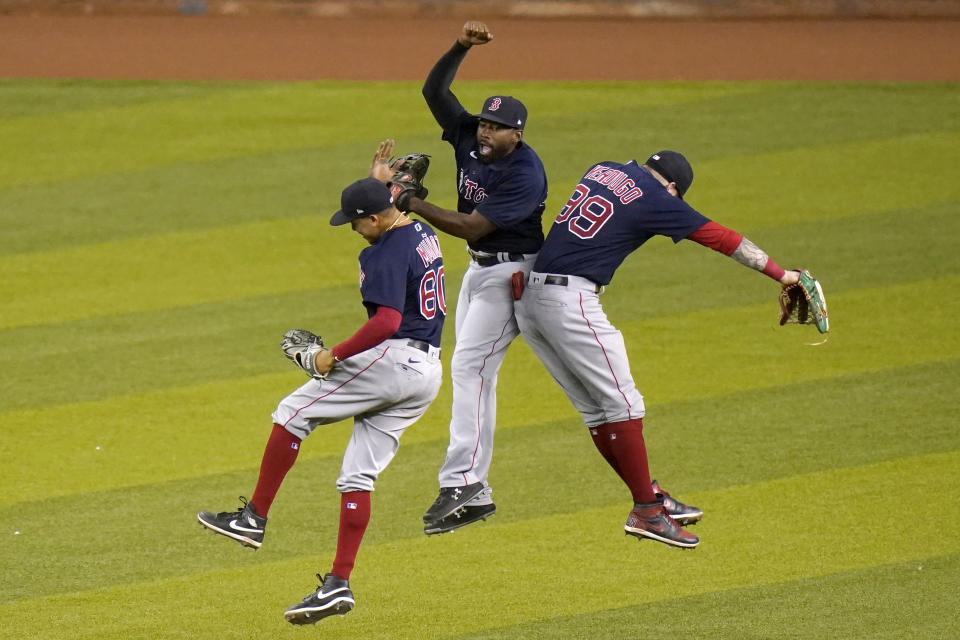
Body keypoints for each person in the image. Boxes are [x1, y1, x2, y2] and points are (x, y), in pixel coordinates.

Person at [197, 155, 447, 624]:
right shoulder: (419, 231)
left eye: (355, 222)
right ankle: (338, 584)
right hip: (428, 373)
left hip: (393, 360)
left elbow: (387, 321)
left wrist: (332, 355)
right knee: (357, 477)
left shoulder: (382, 252)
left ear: (375, 218)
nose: (352, 229)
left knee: (292, 412)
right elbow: (389, 207)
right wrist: (376, 184)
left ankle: (253, 518)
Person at [514, 150, 807, 549]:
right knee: (625, 405)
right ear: (672, 188)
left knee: (598, 410)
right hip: (569, 303)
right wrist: (783, 274)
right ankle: (647, 512)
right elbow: (722, 238)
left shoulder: (604, 169)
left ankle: (648, 494)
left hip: (530, 301)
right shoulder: (657, 197)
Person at [404, 21, 549, 535]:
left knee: (469, 369)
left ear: (518, 135)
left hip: (514, 273)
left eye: (497, 126)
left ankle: (462, 480)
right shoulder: (469, 136)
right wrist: (460, 47)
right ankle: (478, 491)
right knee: (474, 374)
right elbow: (434, 91)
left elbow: (473, 224)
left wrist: (411, 203)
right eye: (484, 122)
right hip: (479, 270)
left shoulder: (525, 175)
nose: (486, 131)